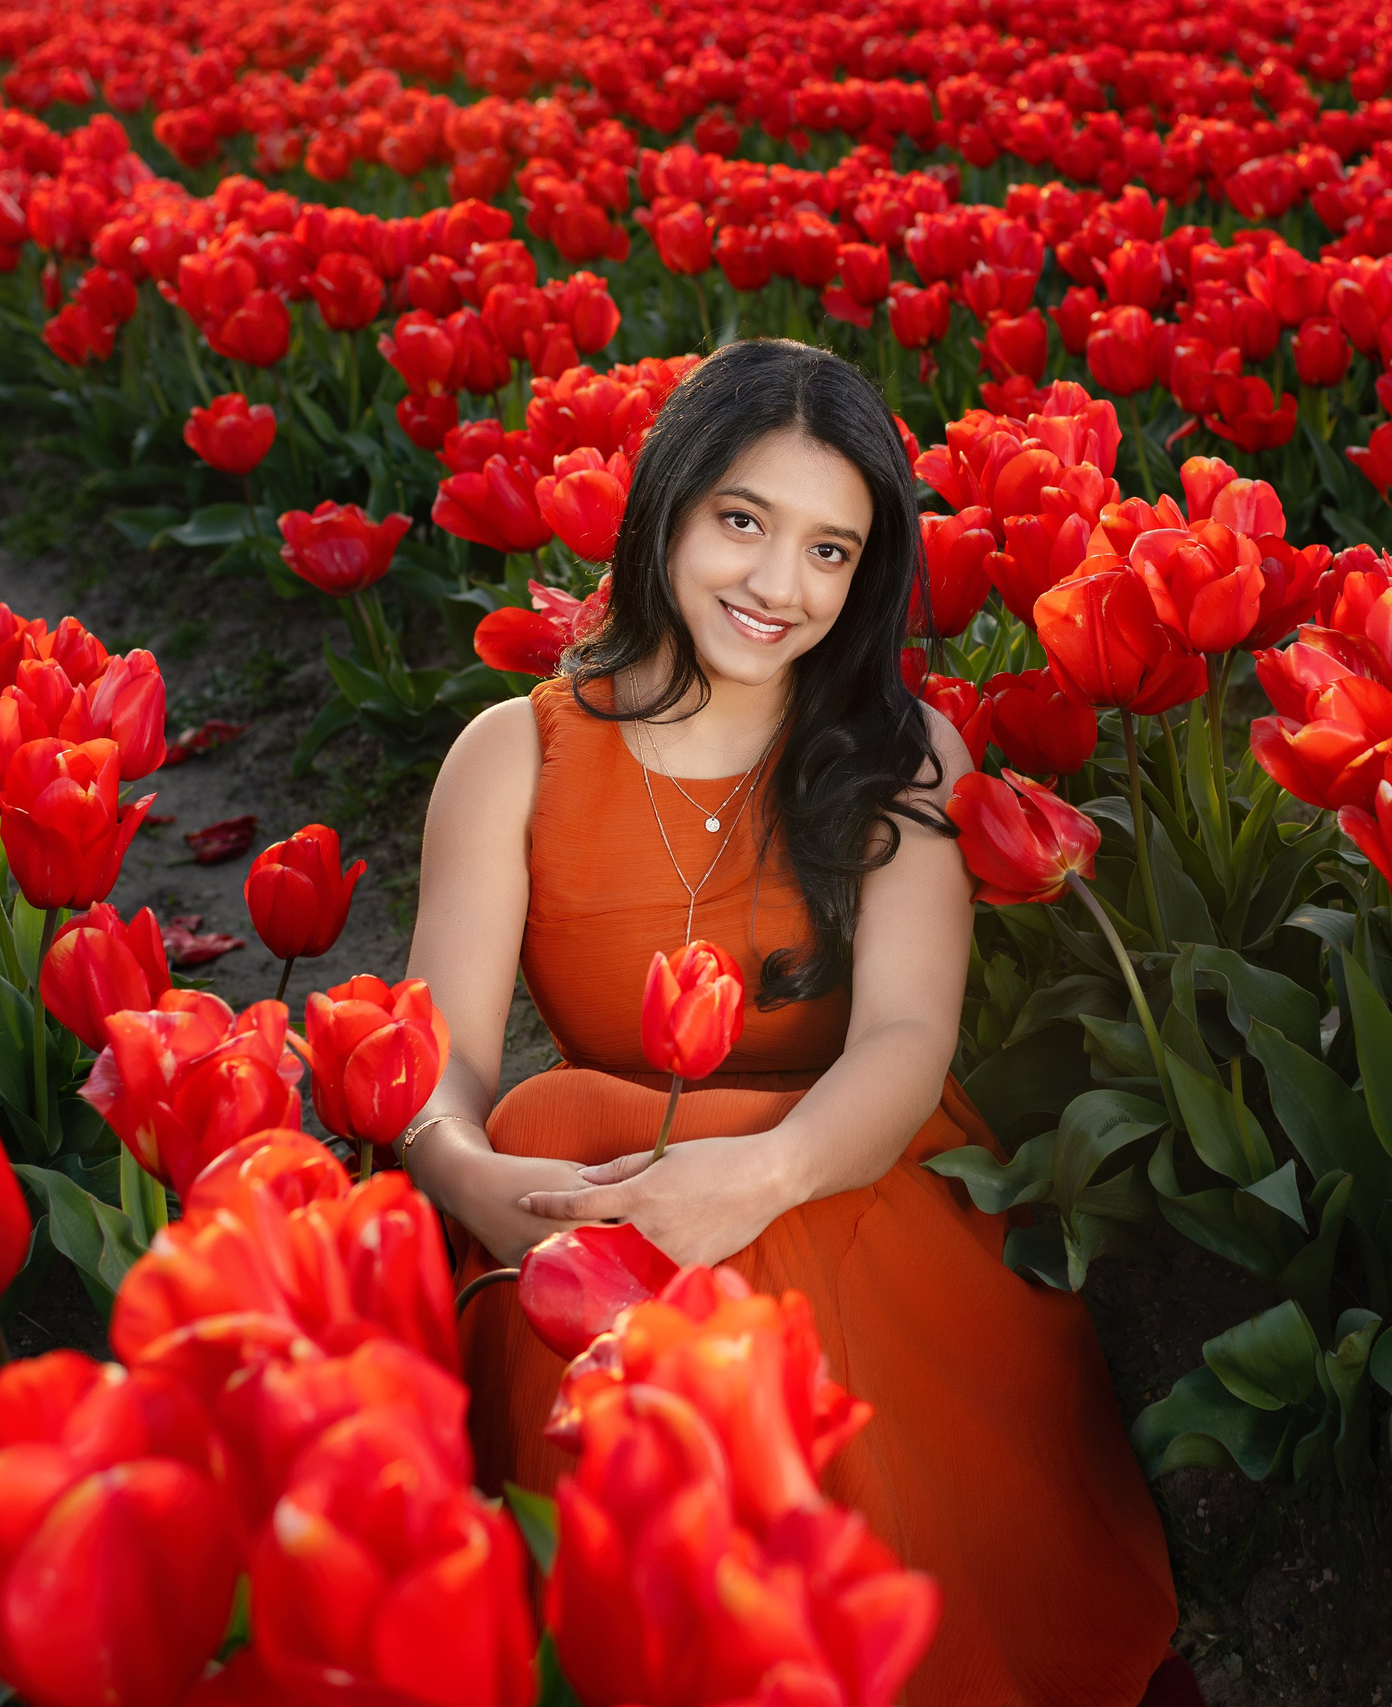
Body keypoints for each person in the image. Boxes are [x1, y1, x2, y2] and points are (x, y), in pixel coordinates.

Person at [401, 338, 1187, 1707]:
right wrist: (484, 1188)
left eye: (831, 551)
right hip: (596, 1192)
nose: (778, 585)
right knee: (549, 1123)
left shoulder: (902, 757)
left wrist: (754, 1178)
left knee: (736, 1263)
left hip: (842, 1172)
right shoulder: (513, 755)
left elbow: (902, 1043)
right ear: (668, 506)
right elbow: (441, 1066)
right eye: (744, 522)